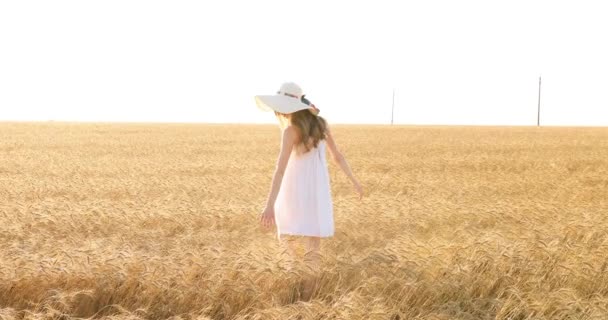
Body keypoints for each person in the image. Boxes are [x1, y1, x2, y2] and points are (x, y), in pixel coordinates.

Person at [254, 82, 364, 284]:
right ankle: (309, 293)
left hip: (293, 190)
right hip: (317, 191)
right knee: (313, 247)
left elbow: (280, 170)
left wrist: (269, 205)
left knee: (286, 238)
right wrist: (354, 181)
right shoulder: (322, 124)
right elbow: (337, 156)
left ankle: (294, 281)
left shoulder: (290, 132)